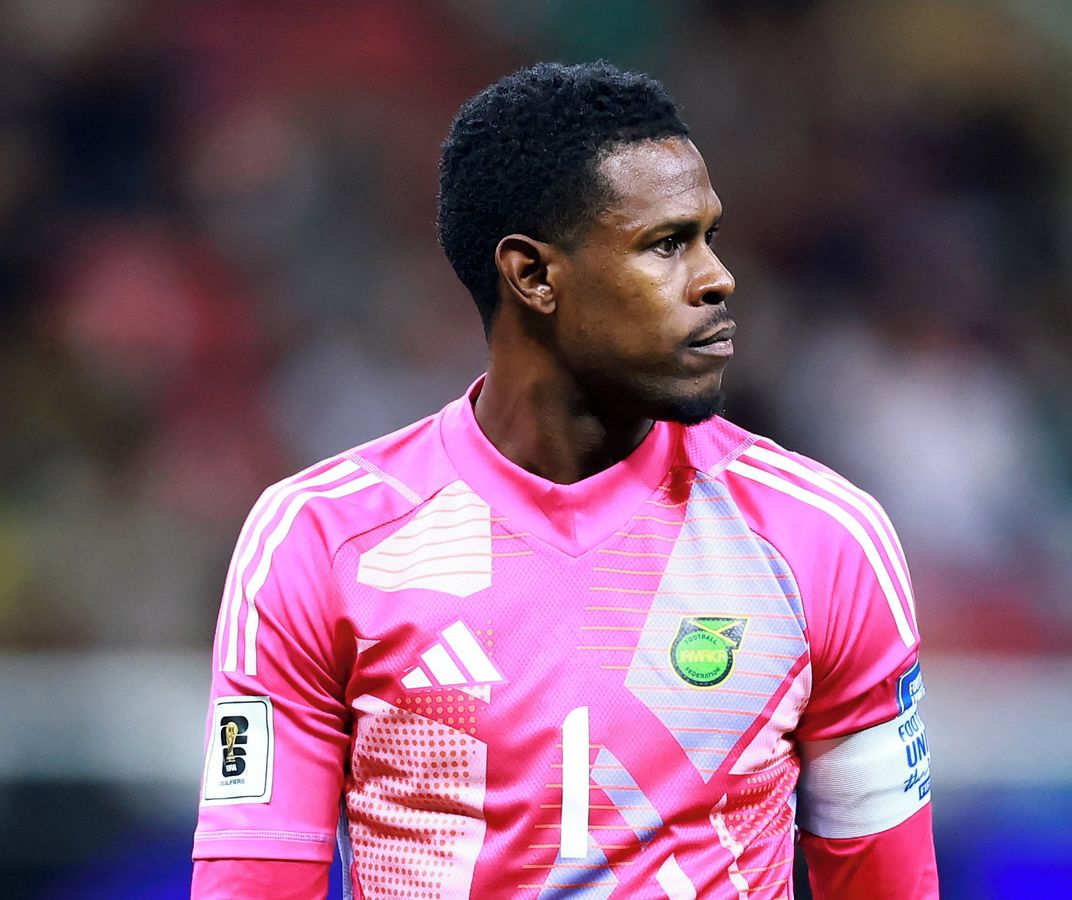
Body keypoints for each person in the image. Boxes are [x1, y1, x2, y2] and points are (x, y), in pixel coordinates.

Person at [191, 61, 938, 899]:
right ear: (533, 276)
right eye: (667, 244)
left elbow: (890, 886)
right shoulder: (319, 543)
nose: (717, 278)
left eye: (709, 237)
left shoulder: (821, 539)